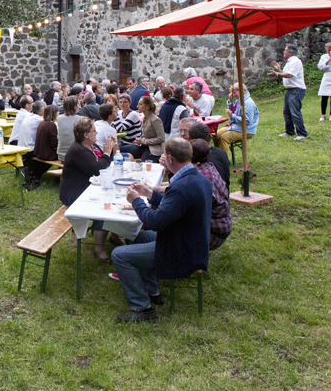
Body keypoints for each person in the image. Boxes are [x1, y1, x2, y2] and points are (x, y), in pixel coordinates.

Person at [111, 138, 211, 322]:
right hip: (191, 241)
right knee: (135, 236)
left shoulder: (181, 187)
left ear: (171, 159)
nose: (163, 158)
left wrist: (137, 201)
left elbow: (156, 221)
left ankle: (143, 309)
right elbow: (174, 208)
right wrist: (149, 194)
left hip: (182, 251)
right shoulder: (197, 178)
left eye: (164, 155)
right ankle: (152, 291)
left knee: (119, 254)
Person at [60, 117, 118, 259]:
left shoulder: (89, 146)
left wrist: (108, 150)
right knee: (104, 206)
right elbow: (97, 170)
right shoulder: (78, 150)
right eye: (94, 131)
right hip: (73, 194)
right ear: (86, 134)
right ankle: (99, 248)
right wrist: (107, 152)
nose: (97, 133)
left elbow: (103, 165)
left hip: (85, 188)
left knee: (112, 197)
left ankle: (115, 235)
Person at [190, 140, 231, 251]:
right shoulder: (209, 167)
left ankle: (193, 261)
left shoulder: (198, 178)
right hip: (222, 226)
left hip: (212, 233)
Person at [269, 43, 307, 140]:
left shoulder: (296, 62)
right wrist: (279, 70)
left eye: (285, 50)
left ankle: (302, 133)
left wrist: (277, 74)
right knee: (286, 112)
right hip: (290, 90)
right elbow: (284, 74)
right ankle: (289, 131)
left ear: (290, 52)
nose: (283, 52)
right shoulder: (289, 62)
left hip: (296, 90)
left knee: (295, 112)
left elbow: (290, 75)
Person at [214, 83, 259, 158]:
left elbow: (247, 121)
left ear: (241, 91)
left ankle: (223, 160)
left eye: (234, 93)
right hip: (236, 126)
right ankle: (219, 156)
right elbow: (235, 111)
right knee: (216, 135)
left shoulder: (247, 103)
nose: (233, 95)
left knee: (224, 138)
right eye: (232, 93)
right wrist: (230, 101)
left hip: (246, 129)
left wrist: (232, 116)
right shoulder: (240, 100)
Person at [185, 122, 230, 191]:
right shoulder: (221, 152)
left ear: (189, 138)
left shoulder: (196, 158)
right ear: (209, 137)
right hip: (224, 193)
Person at [23, 105, 59, 190]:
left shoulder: (43, 123)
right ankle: (58, 179)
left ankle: (34, 174)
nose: (59, 113)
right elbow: (53, 143)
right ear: (54, 113)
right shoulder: (51, 125)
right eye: (57, 111)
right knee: (64, 156)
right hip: (46, 154)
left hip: (39, 151)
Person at [120, 96, 165, 162]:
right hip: (143, 146)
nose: (137, 106)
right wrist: (139, 140)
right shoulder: (145, 118)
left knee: (142, 163)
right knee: (120, 150)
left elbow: (161, 138)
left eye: (140, 104)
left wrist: (143, 141)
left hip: (153, 150)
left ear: (147, 106)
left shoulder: (155, 120)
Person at [56, 96, 80, 162]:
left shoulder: (59, 118)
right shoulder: (80, 119)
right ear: (75, 106)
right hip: (75, 156)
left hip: (61, 154)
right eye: (78, 103)